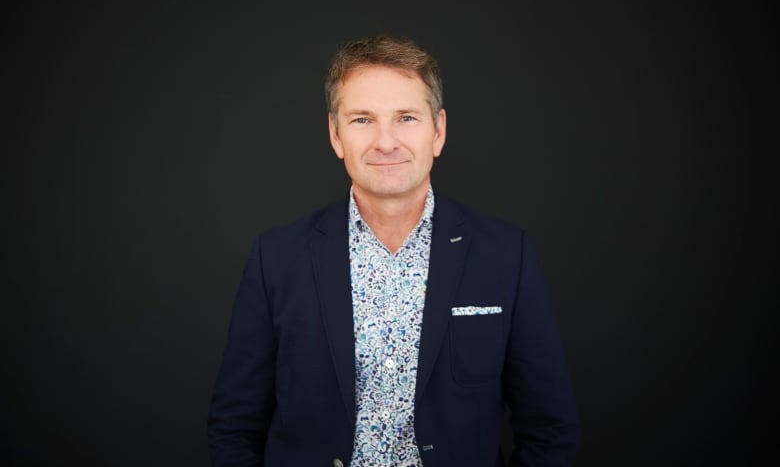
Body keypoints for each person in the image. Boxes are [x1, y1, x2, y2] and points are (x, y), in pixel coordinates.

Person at [207, 34, 579, 467]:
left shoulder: (505, 256)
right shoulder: (276, 259)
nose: (386, 142)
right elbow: (235, 427)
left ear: (438, 131)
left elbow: (550, 428)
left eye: (406, 118)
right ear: (335, 134)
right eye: (362, 120)